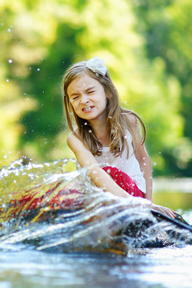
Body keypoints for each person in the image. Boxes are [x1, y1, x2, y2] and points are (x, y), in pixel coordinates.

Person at [62, 56, 175, 218]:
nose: (84, 100)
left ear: (107, 91)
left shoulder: (129, 121)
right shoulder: (75, 138)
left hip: (132, 195)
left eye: (90, 92)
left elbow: (144, 161)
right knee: (63, 193)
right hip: (100, 198)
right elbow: (94, 173)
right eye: (75, 97)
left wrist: (147, 204)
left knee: (110, 173)